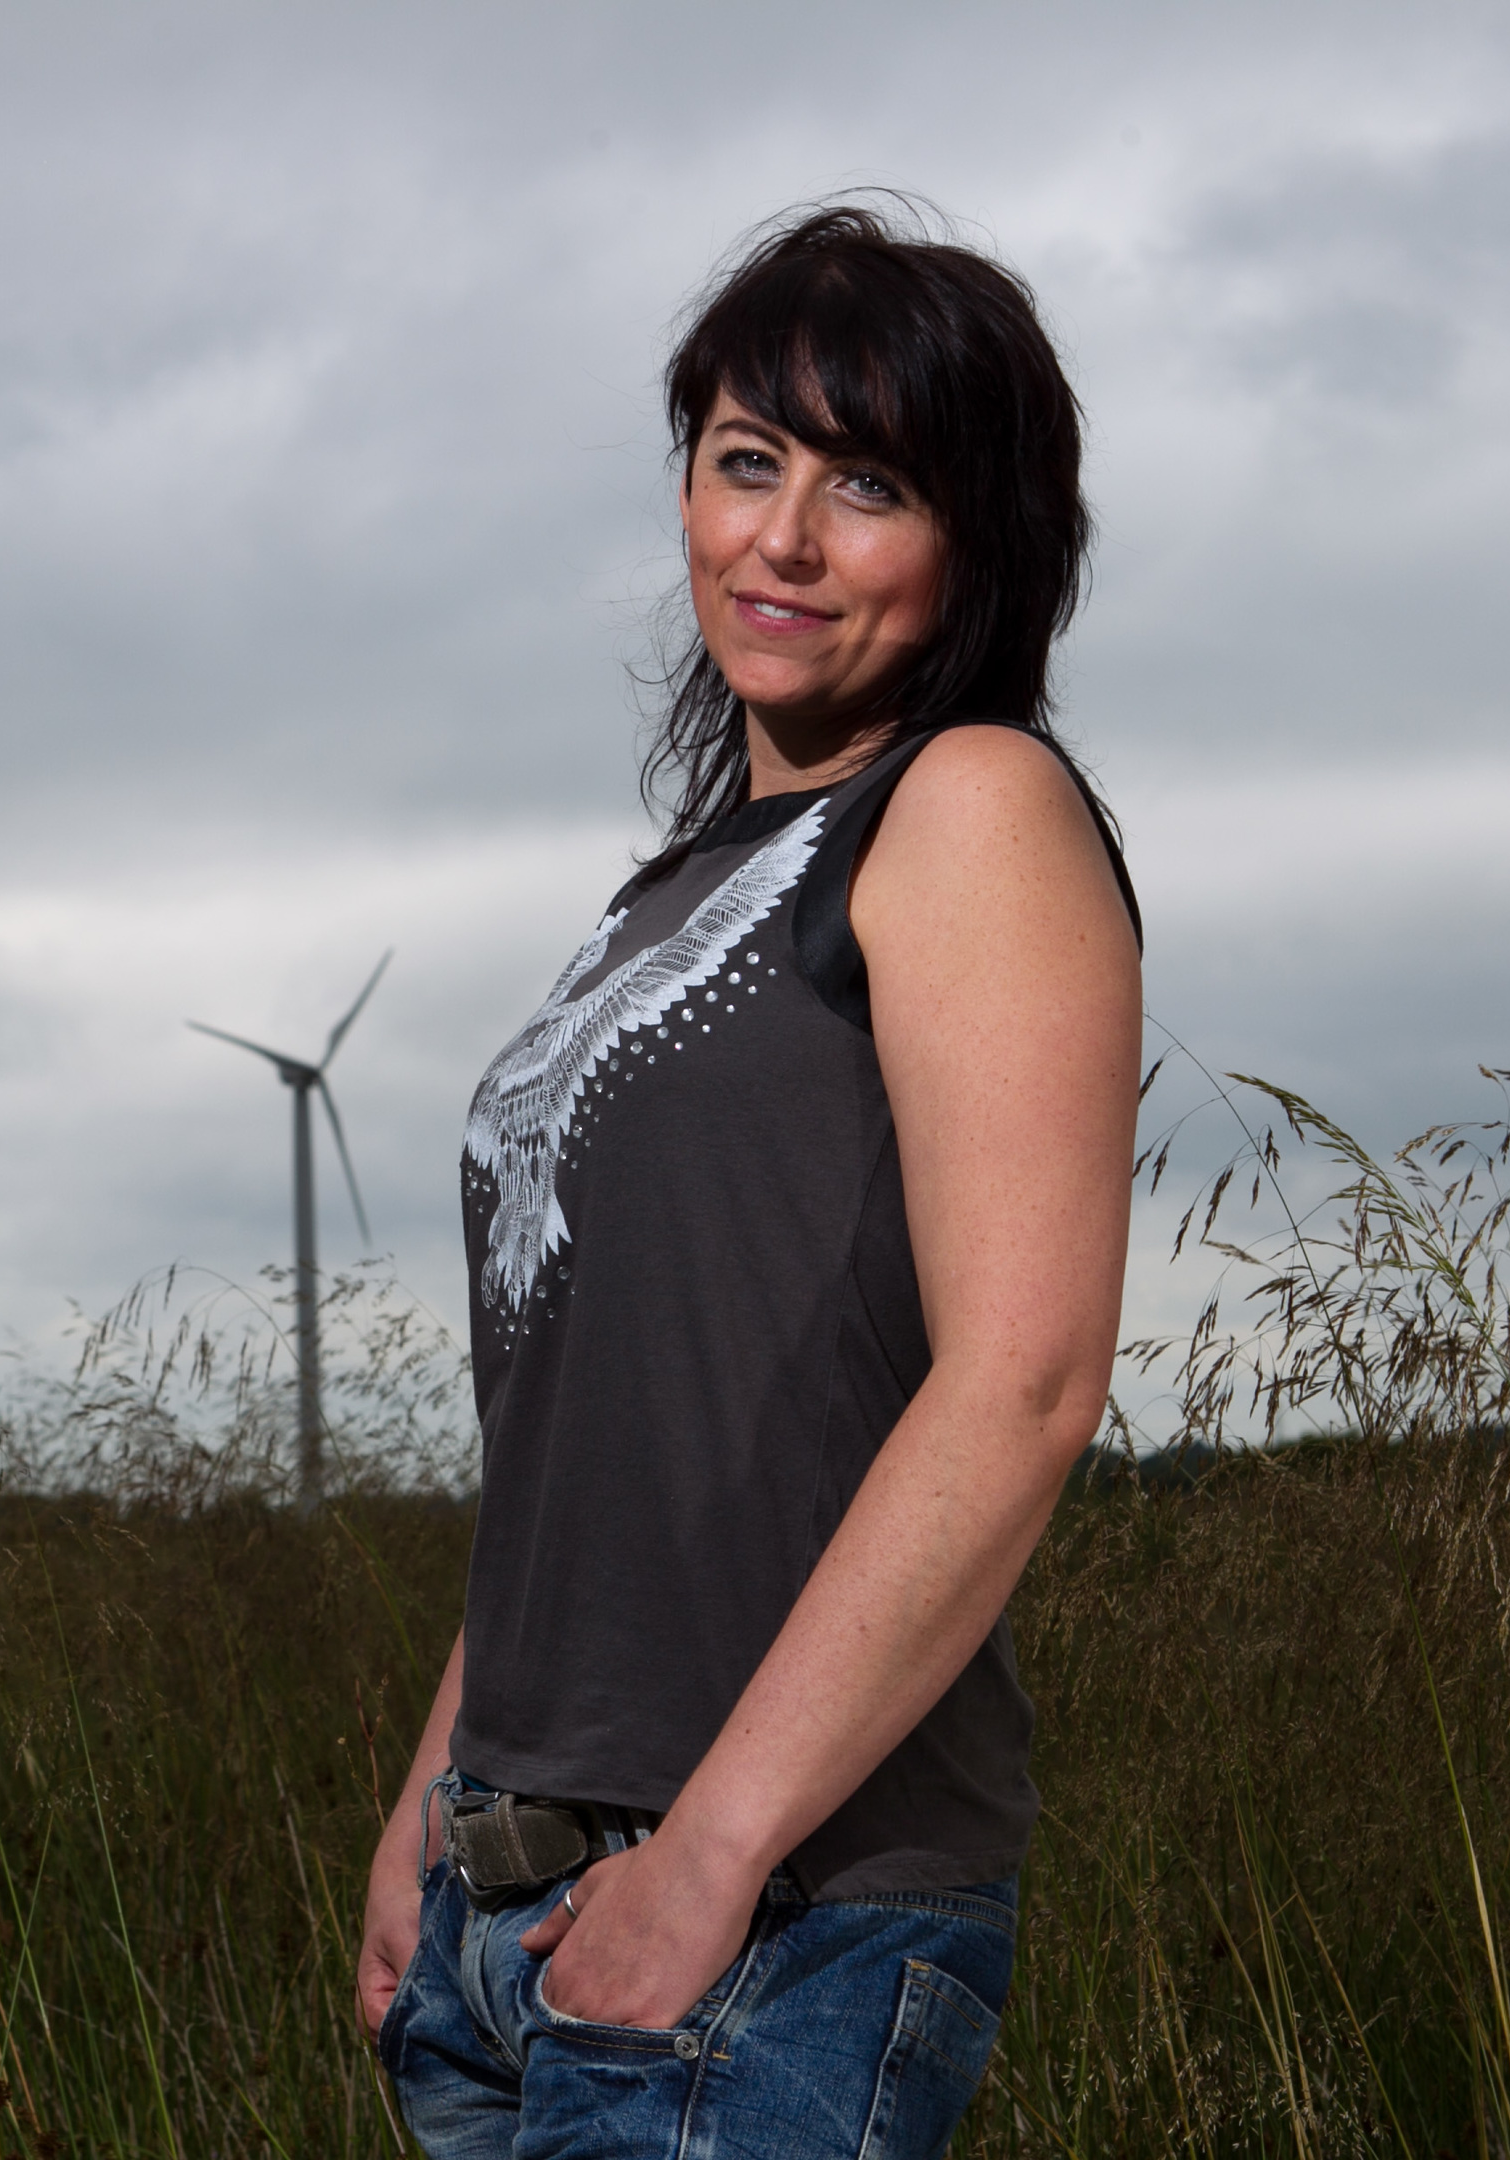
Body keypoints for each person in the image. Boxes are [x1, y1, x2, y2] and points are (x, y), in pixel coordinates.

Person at [355, 201, 1143, 2160]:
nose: (782, 537)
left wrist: (713, 1849)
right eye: (744, 459)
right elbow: (597, 1413)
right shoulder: (670, 896)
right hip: (514, 1915)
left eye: (867, 482)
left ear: (982, 537)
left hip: (771, 1919)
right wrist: (437, 1802)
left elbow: (1024, 1382)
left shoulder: (966, 807)